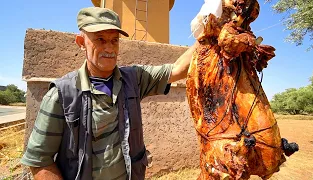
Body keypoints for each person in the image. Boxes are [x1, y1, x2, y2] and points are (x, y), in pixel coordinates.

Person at [21, 6, 198, 180]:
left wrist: (208, 27)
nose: (109, 48)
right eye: (100, 39)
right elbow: (39, 160)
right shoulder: (61, 95)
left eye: (114, 40)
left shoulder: (133, 79)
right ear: (81, 43)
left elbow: (177, 69)